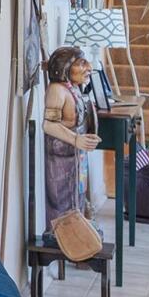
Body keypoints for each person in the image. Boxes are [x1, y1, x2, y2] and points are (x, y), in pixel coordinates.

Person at [41, 44, 104, 245]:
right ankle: (61, 235)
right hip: (61, 156)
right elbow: (48, 124)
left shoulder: (74, 88)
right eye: (81, 63)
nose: (88, 68)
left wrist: (85, 137)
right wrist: (76, 139)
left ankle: (78, 233)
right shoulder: (57, 91)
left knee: (78, 194)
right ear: (65, 67)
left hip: (77, 154)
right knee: (62, 197)